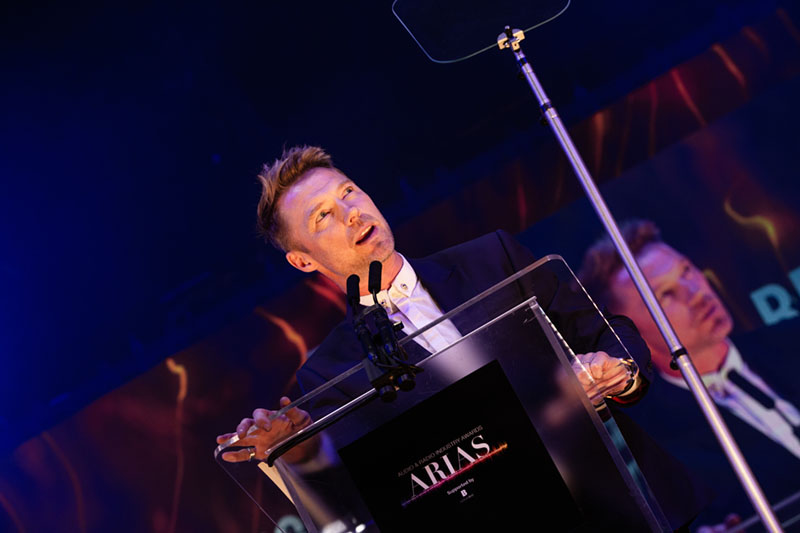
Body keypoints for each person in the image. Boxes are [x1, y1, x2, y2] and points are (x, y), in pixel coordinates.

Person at [216, 147, 703, 529]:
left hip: (625, 506)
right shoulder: (329, 372)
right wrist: (297, 455)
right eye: (322, 216)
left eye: (349, 192)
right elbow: (366, 502)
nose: (351, 213)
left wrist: (618, 371)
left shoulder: (492, 258)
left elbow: (606, 331)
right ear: (302, 260)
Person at [579, 219, 800, 527]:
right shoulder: (659, 448)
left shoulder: (791, 339)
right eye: (665, 295)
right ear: (630, 333)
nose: (695, 292)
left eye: (685, 271)